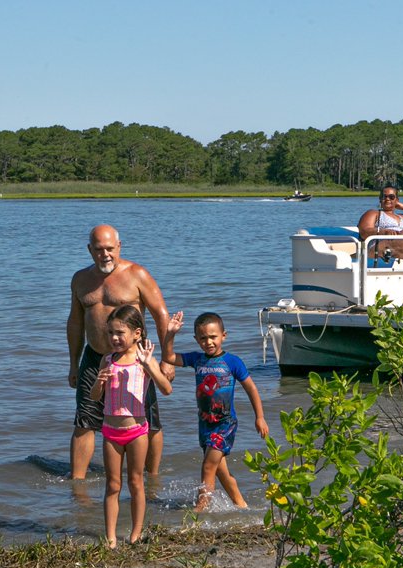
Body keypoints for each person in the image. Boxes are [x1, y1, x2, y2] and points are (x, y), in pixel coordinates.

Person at [67, 224, 173, 480]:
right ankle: (77, 485)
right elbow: (75, 322)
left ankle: (152, 480)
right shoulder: (80, 279)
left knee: (148, 420)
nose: (105, 255)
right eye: (99, 249)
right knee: (85, 418)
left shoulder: (137, 274)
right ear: (89, 249)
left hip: (135, 359)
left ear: (119, 247)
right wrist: (73, 364)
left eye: (110, 249)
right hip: (94, 357)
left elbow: (161, 314)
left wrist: (168, 358)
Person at [164, 311, 268, 512]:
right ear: (196, 339)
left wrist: (260, 417)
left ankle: (201, 508)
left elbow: (251, 389)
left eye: (213, 337)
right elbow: (169, 357)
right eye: (203, 338)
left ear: (223, 336)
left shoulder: (232, 362)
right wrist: (170, 334)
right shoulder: (196, 359)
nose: (208, 342)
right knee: (220, 471)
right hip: (205, 423)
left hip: (225, 424)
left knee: (208, 466)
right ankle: (242, 505)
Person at [90, 305, 172, 547]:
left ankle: (136, 534)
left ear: (137, 333)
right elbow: (95, 397)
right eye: (110, 333)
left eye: (119, 333)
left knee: (136, 482)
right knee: (112, 484)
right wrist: (98, 381)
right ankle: (111, 538)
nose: (114, 338)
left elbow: (167, 389)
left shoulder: (143, 359)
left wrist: (149, 367)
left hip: (137, 432)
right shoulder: (108, 360)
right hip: (110, 432)